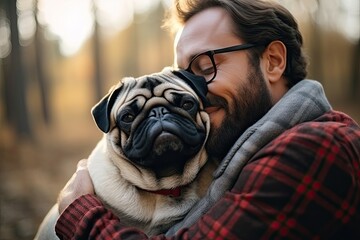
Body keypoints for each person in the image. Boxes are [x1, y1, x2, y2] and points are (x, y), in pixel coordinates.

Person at [55, 0, 360, 239]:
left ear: (274, 62)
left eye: (205, 66)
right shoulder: (240, 149)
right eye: (185, 77)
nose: (195, 92)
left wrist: (81, 215)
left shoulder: (316, 147)